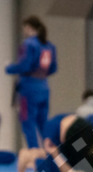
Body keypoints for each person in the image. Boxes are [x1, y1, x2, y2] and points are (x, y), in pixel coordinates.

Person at [6, 16, 57, 150]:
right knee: (43, 123)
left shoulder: (28, 44)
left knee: (27, 122)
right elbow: (53, 68)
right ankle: (50, 153)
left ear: (28, 27)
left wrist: (9, 68)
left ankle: (34, 155)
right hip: (44, 87)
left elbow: (24, 66)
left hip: (29, 88)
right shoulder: (49, 45)